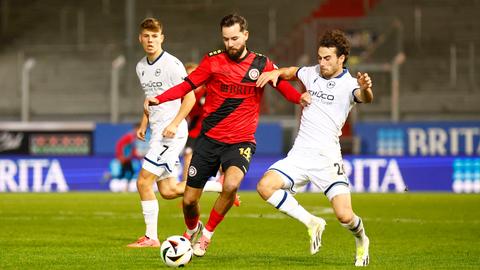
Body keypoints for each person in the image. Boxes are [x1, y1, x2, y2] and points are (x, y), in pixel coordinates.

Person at [145, 13, 310, 256]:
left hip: (240, 141)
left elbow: (283, 87)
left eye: (234, 38)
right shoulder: (213, 62)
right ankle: (193, 229)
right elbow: (187, 85)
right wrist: (160, 98)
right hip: (209, 140)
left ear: (245, 35)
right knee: (189, 201)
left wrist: (300, 98)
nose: (230, 44)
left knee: (231, 184)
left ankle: (207, 236)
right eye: (226, 39)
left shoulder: (260, 64)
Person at [255, 29, 372, 266]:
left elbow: (364, 97)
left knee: (344, 215)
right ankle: (312, 222)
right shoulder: (312, 73)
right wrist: (276, 72)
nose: (322, 62)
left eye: (327, 58)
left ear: (341, 59)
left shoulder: (349, 84)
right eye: (319, 57)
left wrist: (366, 87)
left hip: (327, 158)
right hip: (299, 155)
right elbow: (291, 72)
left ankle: (362, 240)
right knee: (265, 186)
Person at [127, 18, 221, 248]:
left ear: (162, 38)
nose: (150, 40)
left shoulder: (172, 64)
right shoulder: (140, 67)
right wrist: (144, 124)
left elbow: (189, 96)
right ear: (140, 38)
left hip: (171, 132)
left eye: (154, 36)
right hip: (158, 131)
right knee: (168, 191)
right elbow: (150, 99)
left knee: (142, 182)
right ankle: (222, 189)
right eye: (146, 36)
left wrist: (175, 123)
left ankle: (151, 238)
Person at [113, 123, 143, 191]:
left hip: (128, 159)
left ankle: (125, 187)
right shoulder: (129, 136)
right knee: (126, 172)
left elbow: (132, 148)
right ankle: (121, 187)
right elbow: (120, 144)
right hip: (124, 158)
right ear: (136, 129)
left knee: (129, 171)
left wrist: (137, 156)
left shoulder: (133, 137)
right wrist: (120, 156)